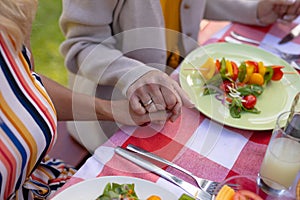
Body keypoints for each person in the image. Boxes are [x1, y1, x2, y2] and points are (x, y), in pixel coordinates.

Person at [59, 0, 300, 152]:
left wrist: (254, 9)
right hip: (115, 122)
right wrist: (132, 74)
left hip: (182, 94)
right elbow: (82, 45)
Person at [0, 0, 169, 199]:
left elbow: (23, 85)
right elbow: (82, 44)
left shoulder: (9, 14)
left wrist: (111, 109)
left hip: (44, 180)